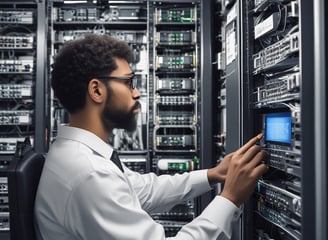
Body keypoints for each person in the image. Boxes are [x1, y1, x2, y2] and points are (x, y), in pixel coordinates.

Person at [34, 34, 268, 240]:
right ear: (96, 90)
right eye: (128, 82)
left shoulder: (75, 153)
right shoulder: (89, 174)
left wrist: (212, 175)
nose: (136, 93)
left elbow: (141, 190)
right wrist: (230, 198)